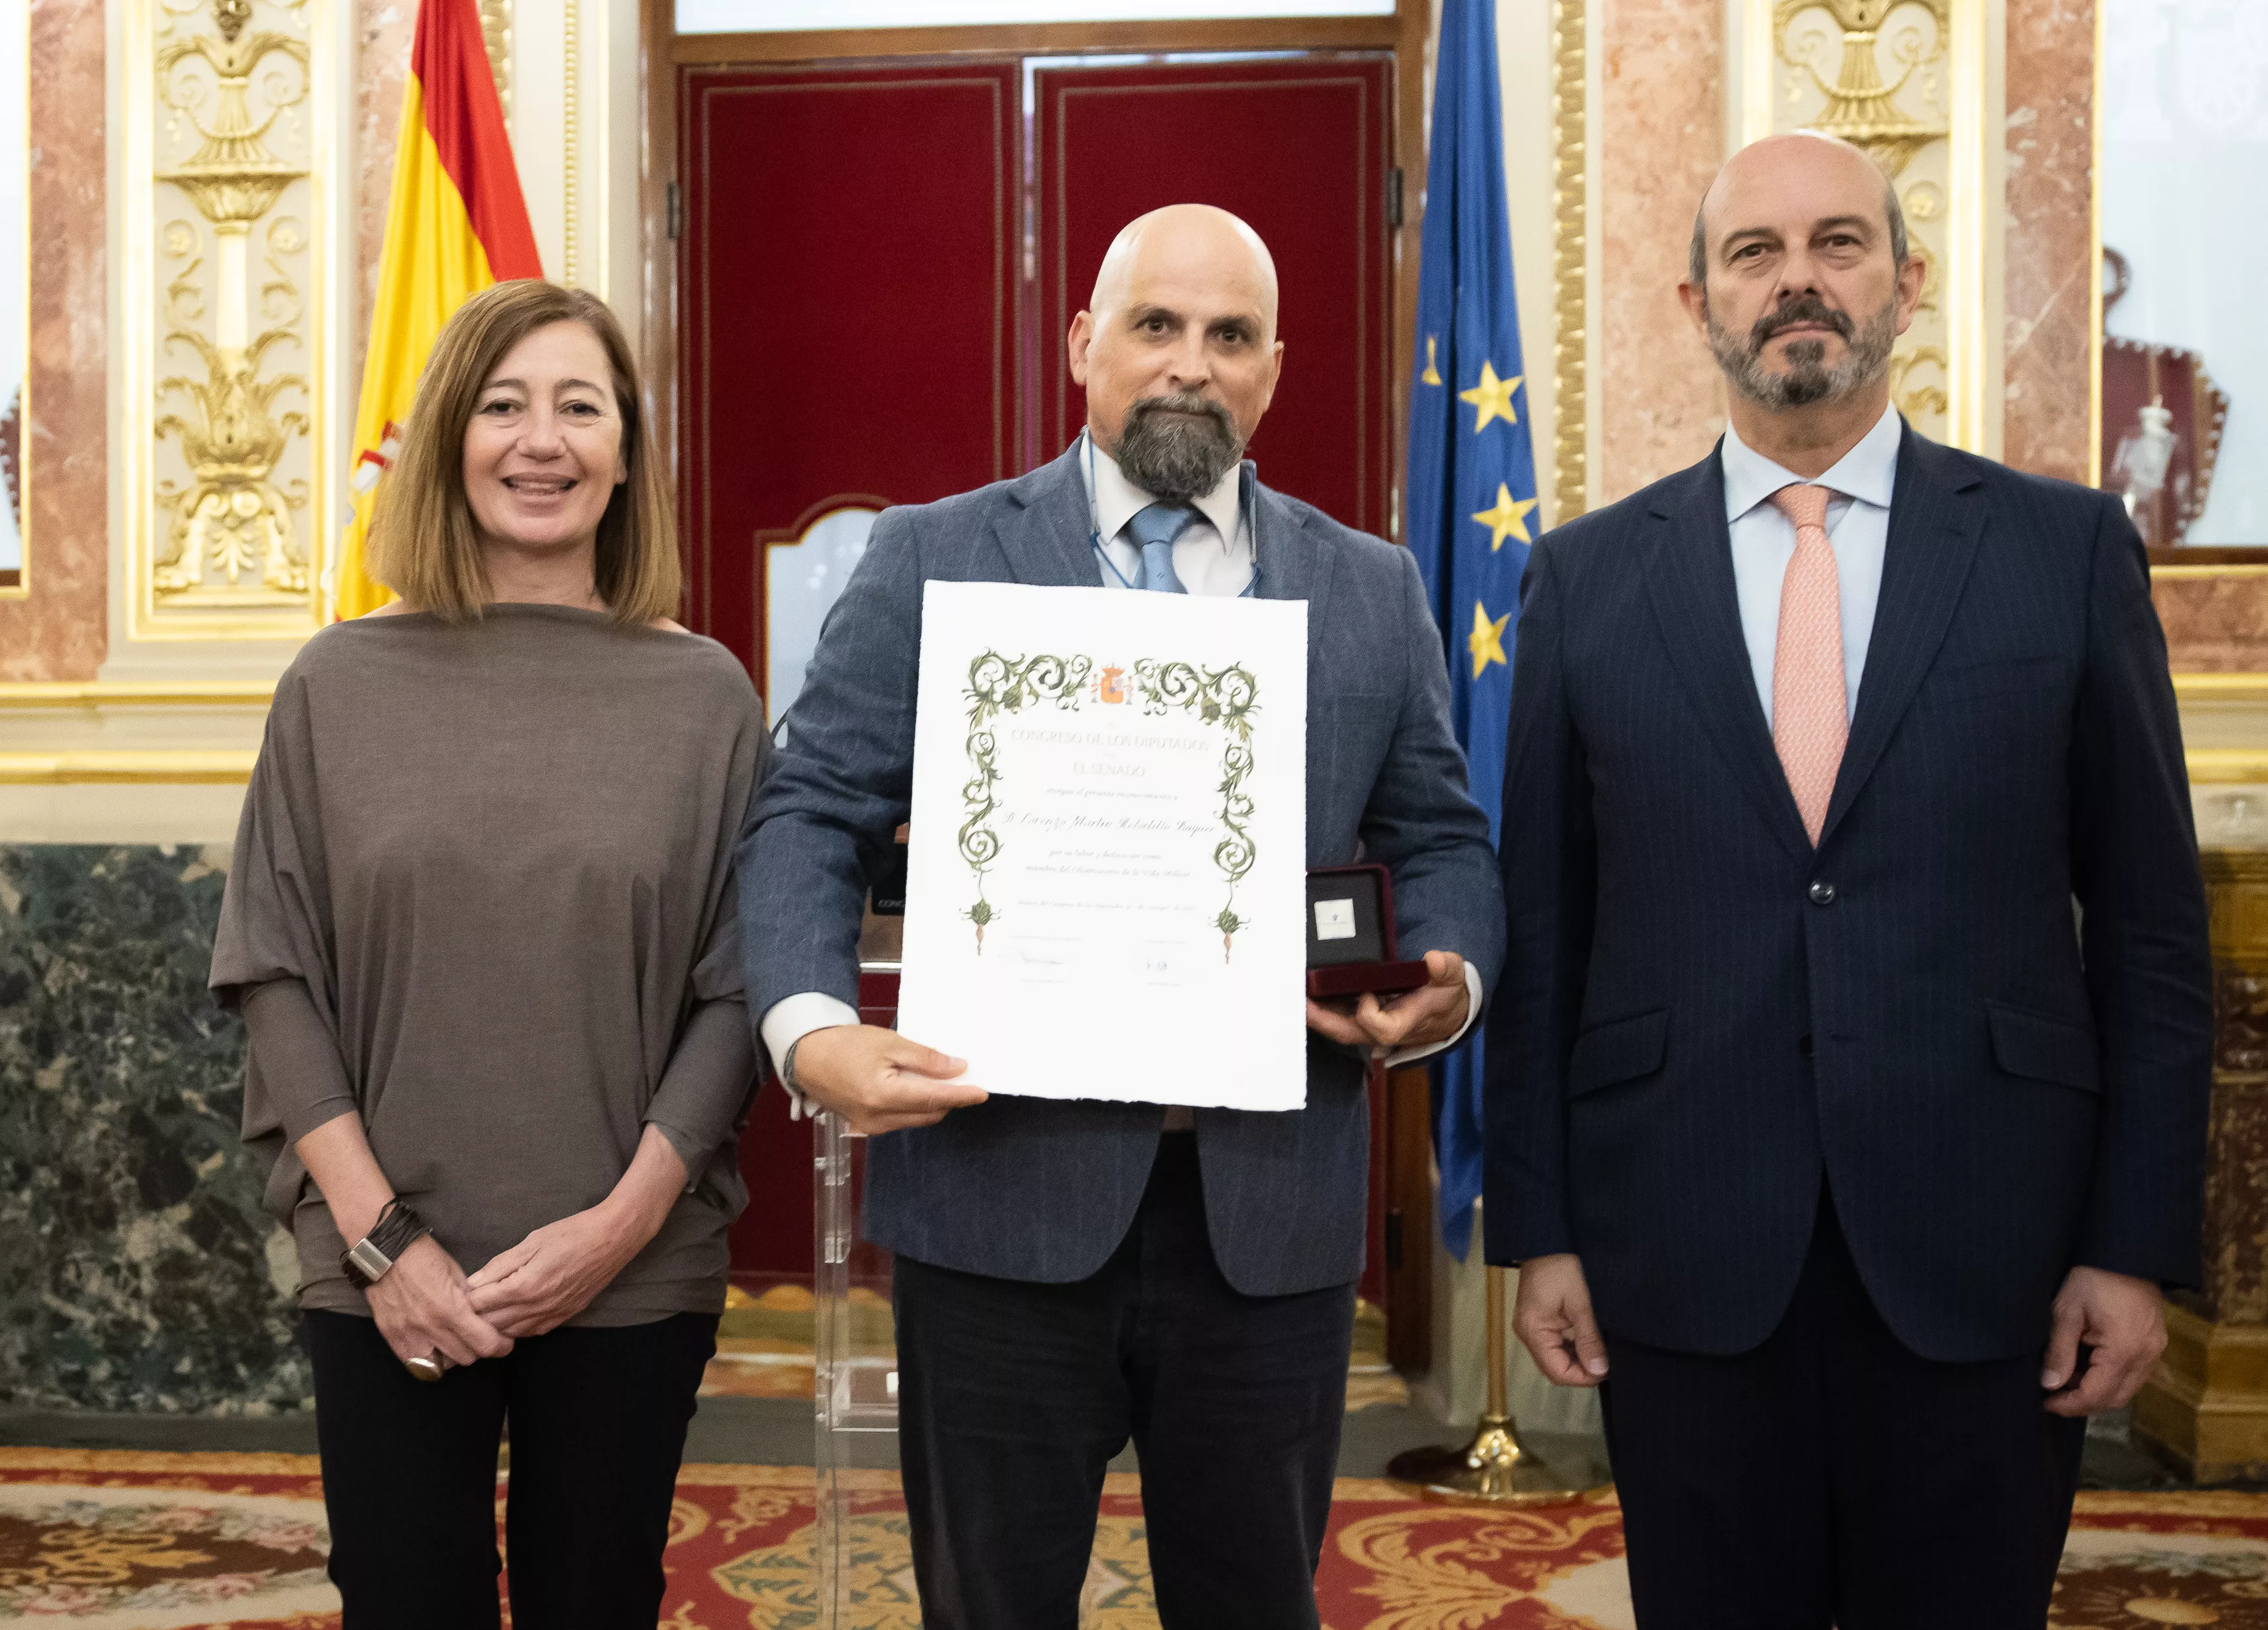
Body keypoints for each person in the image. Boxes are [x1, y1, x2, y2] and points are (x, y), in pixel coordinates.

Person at [738, 204, 1501, 1627]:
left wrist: (1449, 979)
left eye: (1229, 335)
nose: (1189, 364)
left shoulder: (1368, 586)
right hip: (994, 1206)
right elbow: (810, 812)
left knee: (1254, 1602)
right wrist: (809, 1027)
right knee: (992, 1605)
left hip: (1265, 1215)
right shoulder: (930, 556)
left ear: (1274, 369)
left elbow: (1441, 838)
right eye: (1156, 325)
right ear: (1087, 342)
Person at [1488, 130, 2213, 1627]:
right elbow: (1544, 930)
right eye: (1752, 252)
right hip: (1680, 1243)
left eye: (1838, 242)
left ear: (1907, 281)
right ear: (1695, 299)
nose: (1796, 280)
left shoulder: (2063, 550)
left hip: (1990, 1248)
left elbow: (2150, 932)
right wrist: (1538, 1226)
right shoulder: (1585, 577)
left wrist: (2131, 1244)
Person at [209, 279, 765, 1630]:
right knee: (406, 1599)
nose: (542, 440)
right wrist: (384, 1240)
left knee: (597, 1599)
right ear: (450, 436)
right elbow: (274, 970)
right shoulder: (334, 684)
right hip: (387, 1262)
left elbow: (735, 992)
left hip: (630, 1267)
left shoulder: (706, 696)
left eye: (581, 407)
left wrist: (615, 1230)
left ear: (625, 451)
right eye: (504, 405)